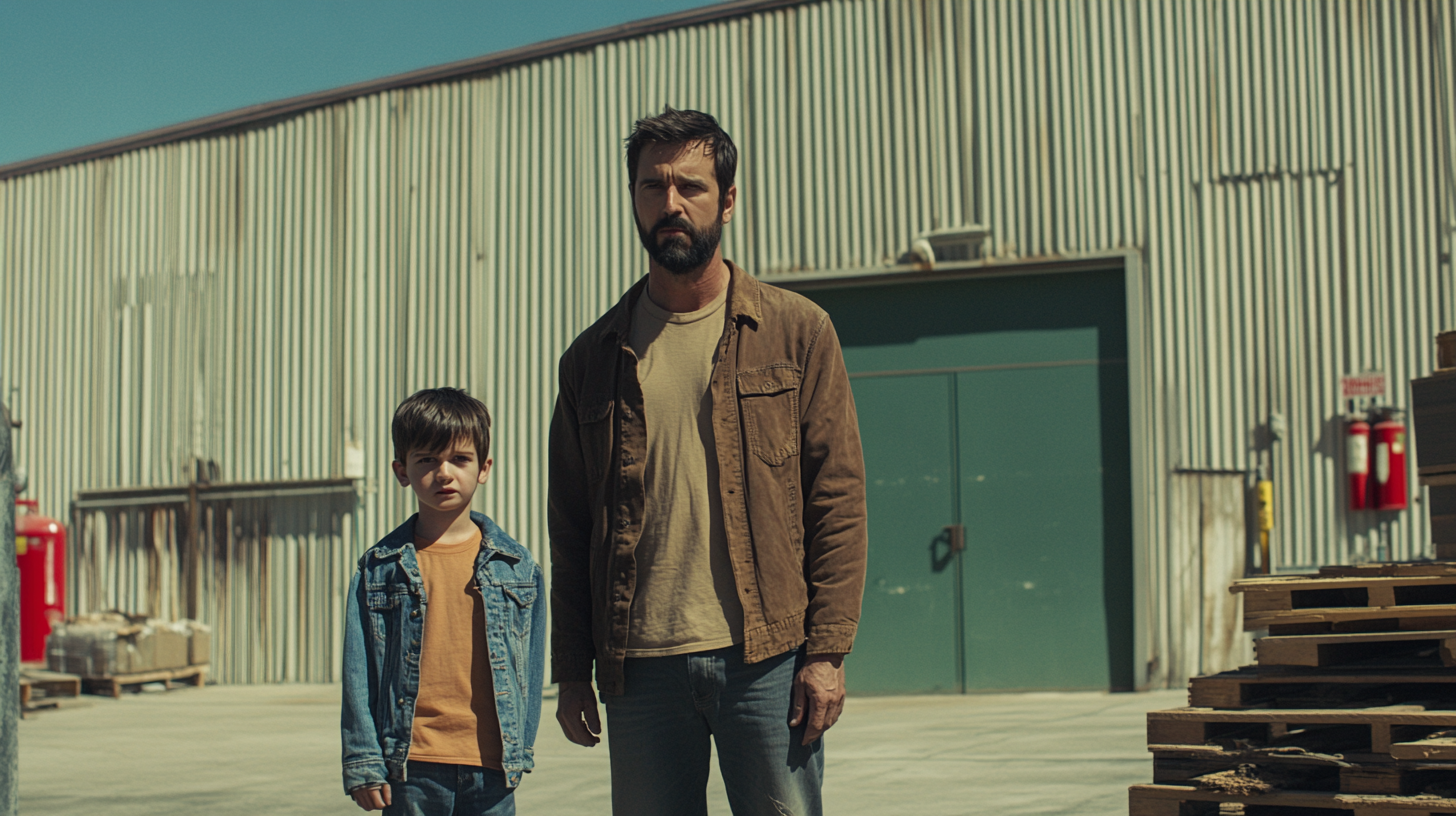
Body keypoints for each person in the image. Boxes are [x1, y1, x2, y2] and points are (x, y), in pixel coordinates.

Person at [548, 107, 868, 816]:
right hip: (639, 670)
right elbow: (571, 529)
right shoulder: (589, 360)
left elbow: (837, 502)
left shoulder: (796, 332)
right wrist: (572, 670)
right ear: (632, 198)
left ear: (727, 199)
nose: (670, 205)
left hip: (767, 658)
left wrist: (826, 653)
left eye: (690, 186)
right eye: (651, 187)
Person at [342, 387, 545, 815]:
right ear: (402, 470)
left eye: (460, 459)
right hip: (411, 767)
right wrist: (364, 761)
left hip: (490, 768)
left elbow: (531, 662)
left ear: (484, 467)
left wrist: (520, 747)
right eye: (427, 460)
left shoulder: (517, 567)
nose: (445, 473)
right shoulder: (380, 568)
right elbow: (358, 673)